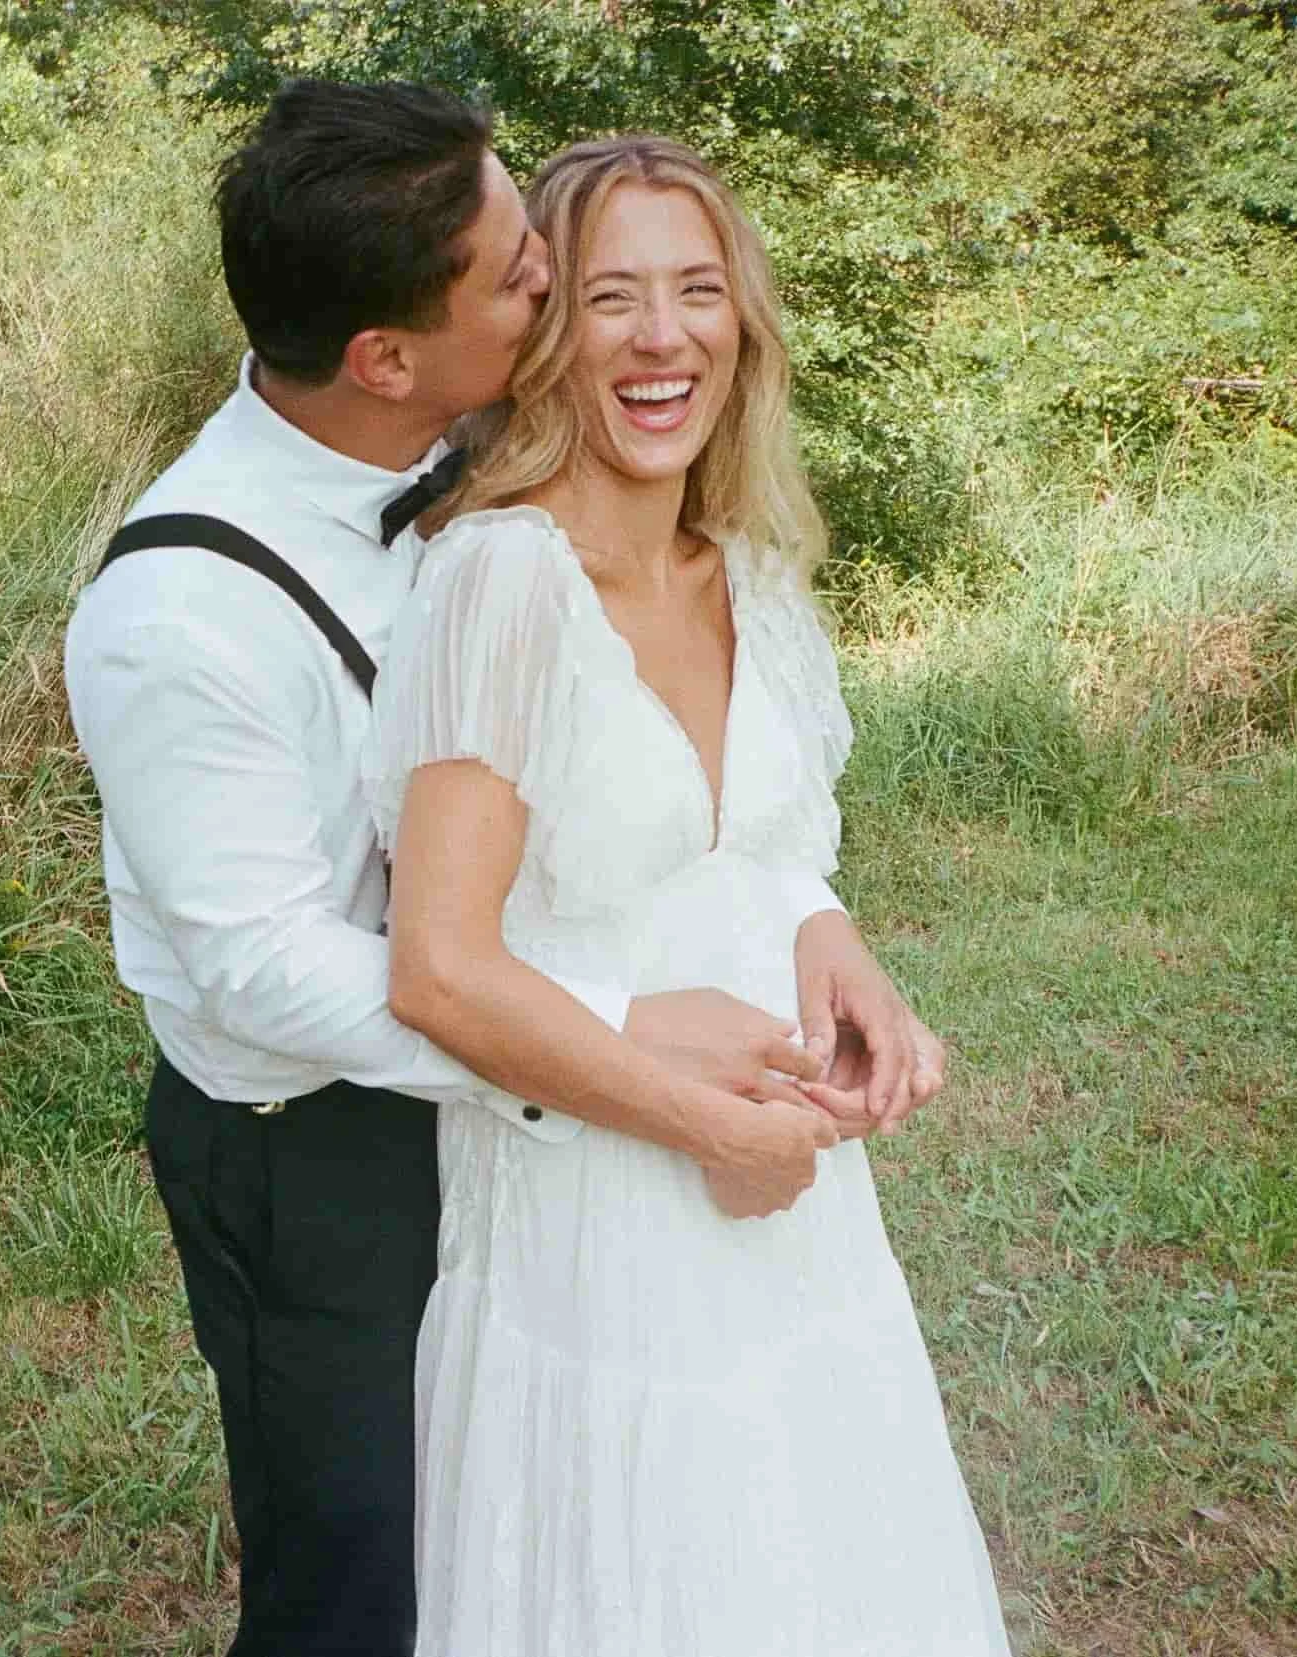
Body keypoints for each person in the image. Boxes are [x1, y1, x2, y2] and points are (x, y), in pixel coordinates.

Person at [63, 84, 949, 1656]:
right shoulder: (177, 617)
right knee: (367, 1573)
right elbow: (274, 966)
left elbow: (722, 807)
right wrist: (628, 1037)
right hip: (310, 1133)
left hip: (571, 1082)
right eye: (533, 275)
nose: (556, 288)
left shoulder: (561, 469)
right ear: (386, 358)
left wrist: (813, 931)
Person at [371, 135, 1013, 1655]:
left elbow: (758, 845)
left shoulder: (753, 575)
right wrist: (707, 1126)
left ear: (746, 323)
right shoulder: (499, 586)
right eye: (610, 298)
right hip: (596, 1211)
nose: (663, 338)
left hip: (789, 1193)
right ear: (545, 338)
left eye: (697, 292)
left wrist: (838, 948)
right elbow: (440, 971)